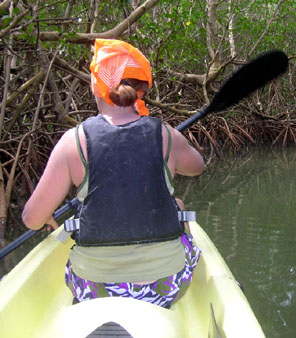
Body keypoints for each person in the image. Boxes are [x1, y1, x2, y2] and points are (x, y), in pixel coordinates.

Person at [22, 39, 205, 308]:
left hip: (93, 288)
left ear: (95, 86)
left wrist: (46, 214)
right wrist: (171, 141)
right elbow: (198, 166)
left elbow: (31, 220)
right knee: (177, 205)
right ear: (142, 90)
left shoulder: (72, 141)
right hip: (165, 284)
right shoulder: (165, 134)